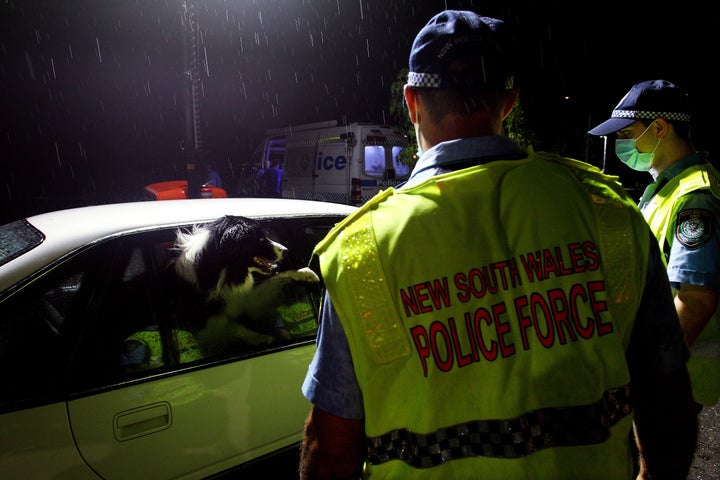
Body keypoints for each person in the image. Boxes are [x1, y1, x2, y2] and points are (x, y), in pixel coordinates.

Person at [299, 10, 698, 480]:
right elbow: (666, 404)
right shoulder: (607, 214)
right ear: (508, 102)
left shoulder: (361, 253)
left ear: (411, 102)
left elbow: (330, 451)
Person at [588, 79, 720, 410]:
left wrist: (646, 373)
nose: (620, 143)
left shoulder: (695, 198)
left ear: (659, 127)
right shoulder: (666, 189)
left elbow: (696, 299)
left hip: (677, 379)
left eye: (626, 133)